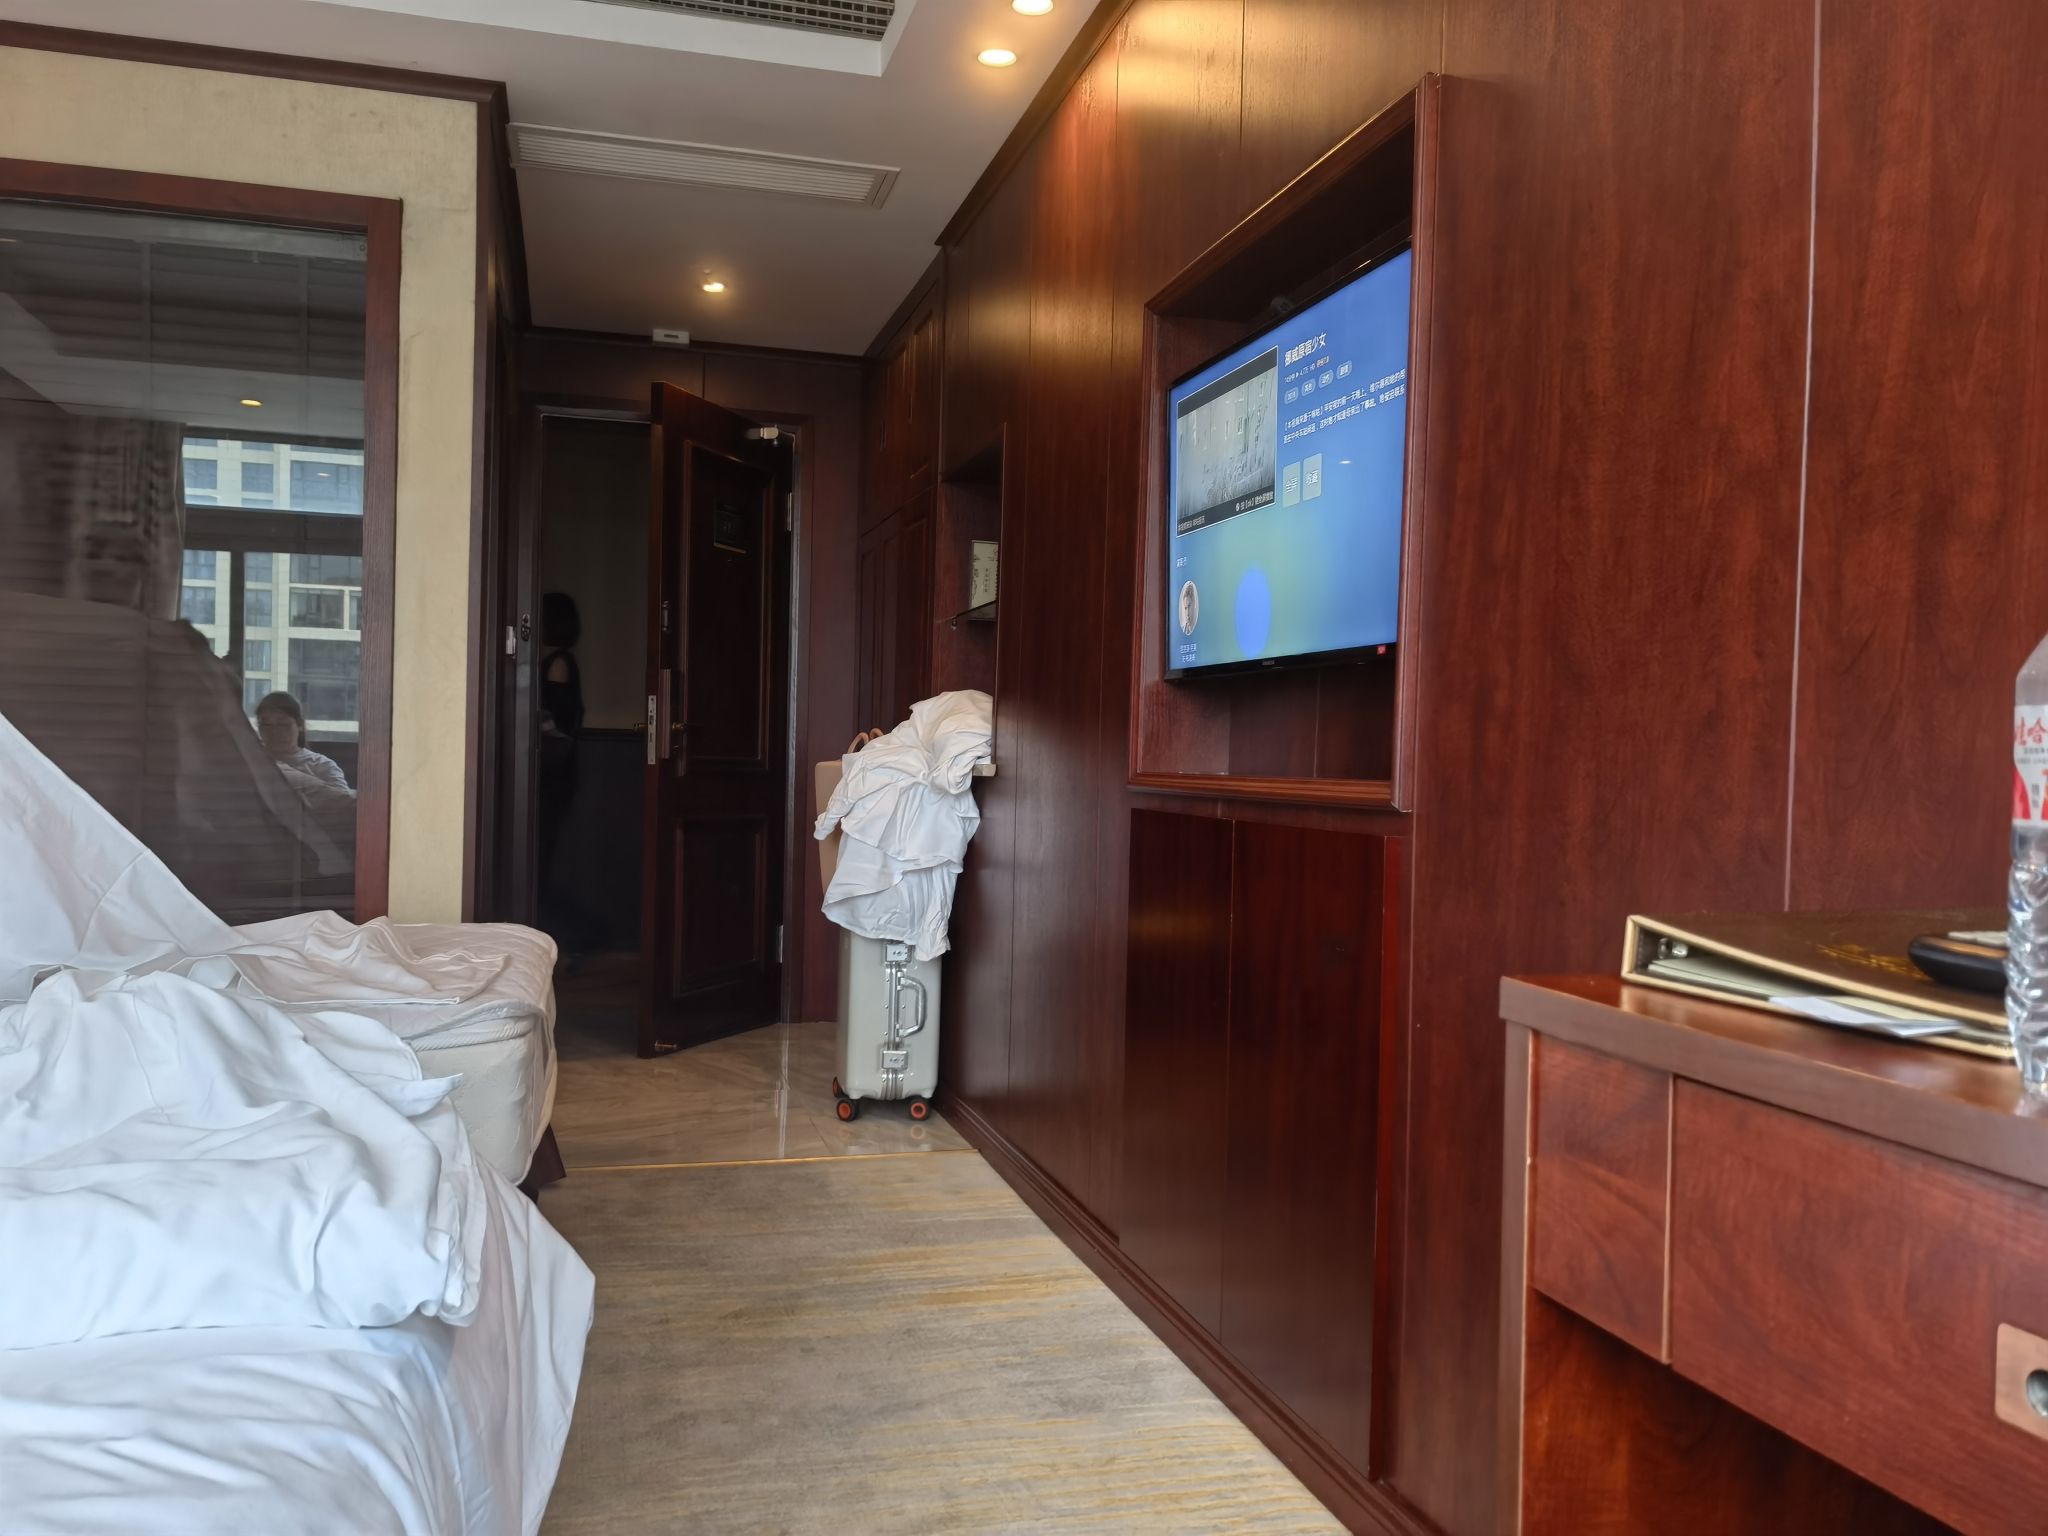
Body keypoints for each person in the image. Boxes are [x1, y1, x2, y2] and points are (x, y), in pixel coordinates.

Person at [254, 691, 353, 795]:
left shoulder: (322, 766)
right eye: (266, 724)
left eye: (283, 724)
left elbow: (342, 801)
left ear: (299, 725)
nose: (274, 731)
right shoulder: (248, 762)